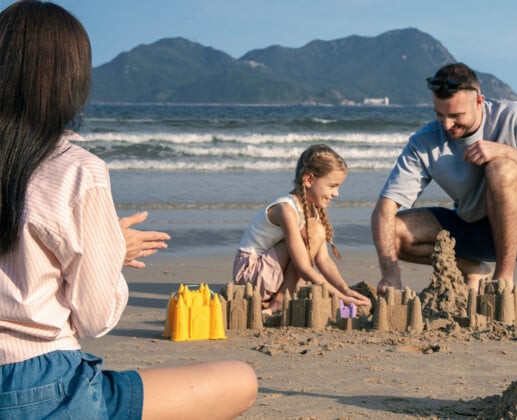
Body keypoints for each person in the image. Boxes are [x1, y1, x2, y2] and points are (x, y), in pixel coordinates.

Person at [0, 2, 257, 419]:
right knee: (242, 379)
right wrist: (110, 252)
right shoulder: (77, 170)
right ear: (71, 81)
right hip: (48, 386)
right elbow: (95, 320)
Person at [372, 62, 517, 294]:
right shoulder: (424, 141)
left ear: (479, 101)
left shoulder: (516, 117)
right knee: (392, 232)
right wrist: (390, 274)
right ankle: (474, 268)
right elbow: (385, 209)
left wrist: (506, 152)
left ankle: (503, 280)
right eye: (439, 114)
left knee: (501, 168)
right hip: (472, 229)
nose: (447, 124)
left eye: (456, 115)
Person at [234, 144, 371, 315]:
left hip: (269, 274)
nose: (336, 193)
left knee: (315, 232)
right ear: (309, 180)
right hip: (250, 276)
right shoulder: (286, 209)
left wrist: (344, 289)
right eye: (332, 186)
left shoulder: (311, 209)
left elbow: (324, 260)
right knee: (315, 232)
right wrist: (341, 298)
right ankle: (279, 301)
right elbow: (304, 268)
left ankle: (281, 296)